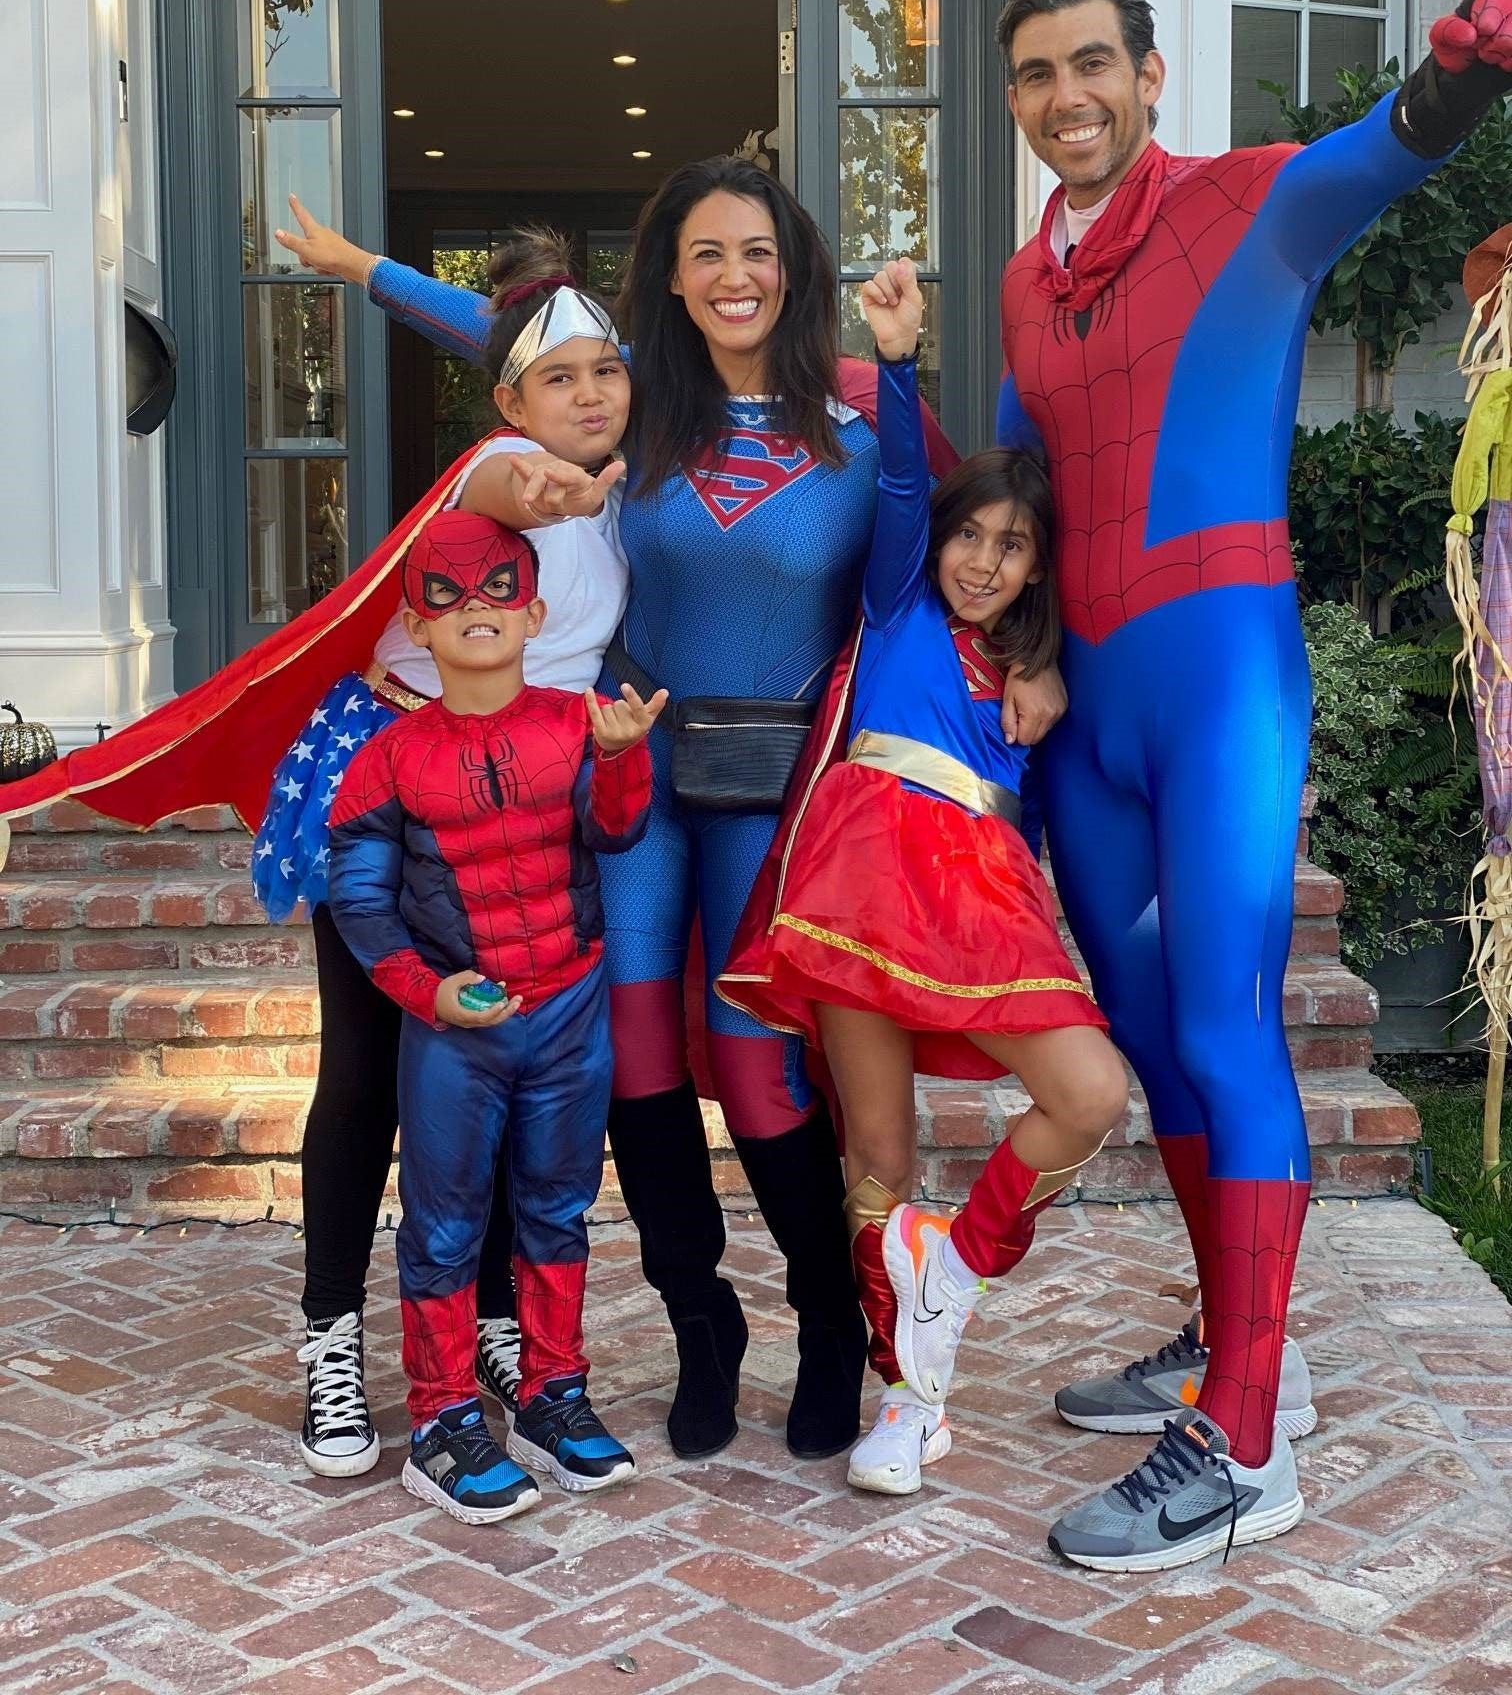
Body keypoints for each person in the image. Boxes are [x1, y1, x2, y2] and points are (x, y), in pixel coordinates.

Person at [312, 157, 1022, 1465]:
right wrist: (369, 273)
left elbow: (955, 559)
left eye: (756, 251)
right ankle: (703, 1329)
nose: (734, 276)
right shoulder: (635, 405)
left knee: (755, 1068)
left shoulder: (865, 427)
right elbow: (507, 338)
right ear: (673, 280)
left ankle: (828, 1325)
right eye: (706, 254)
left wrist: (1031, 660)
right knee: (634, 1062)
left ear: (792, 269)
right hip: (632, 781)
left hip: (771, 796)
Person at [991, 0, 1512, 1570]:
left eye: (1094, 63)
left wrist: (1467, 70)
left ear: (1149, 74)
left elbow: (1391, 146)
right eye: (1037, 74)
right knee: (1156, 1040)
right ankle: (1233, 1340)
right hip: (1088, 720)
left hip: (1218, 679)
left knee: (1224, 1027)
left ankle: (1247, 1446)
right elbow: (1018, 486)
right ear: (1015, 101)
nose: (1068, 96)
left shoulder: (1248, 207)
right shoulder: (1024, 280)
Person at [0, 221, 635, 1483]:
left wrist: (363, 274)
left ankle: (494, 1327)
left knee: (495, 1068)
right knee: (367, 1077)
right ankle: (332, 1342)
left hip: (523, 798)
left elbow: (499, 330)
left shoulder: (624, 483)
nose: (587, 395)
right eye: (557, 379)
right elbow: (511, 484)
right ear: (509, 404)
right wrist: (550, 486)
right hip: (398, 786)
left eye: (606, 373)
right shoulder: (505, 466)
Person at [717, 257, 1123, 1497]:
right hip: (860, 888)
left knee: (1088, 1092)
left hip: (984, 899)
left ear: (1041, 567)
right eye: (970, 536)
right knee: (878, 1164)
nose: (984, 562)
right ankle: (912, 1400)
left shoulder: (1040, 680)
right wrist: (898, 366)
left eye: (1014, 547)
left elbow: (1050, 811)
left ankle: (955, 1266)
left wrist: (1045, 679)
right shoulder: (898, 608)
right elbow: (900, 481)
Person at [327, 508, 661, 1525]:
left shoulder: (575, 722)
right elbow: (359, 897)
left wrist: (624, 758)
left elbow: (615, 830)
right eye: (447, 592)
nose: (477, 607)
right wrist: (424, 991)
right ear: (415, 624)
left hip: (568, 1007)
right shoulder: (388, 758)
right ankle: (439, 1420)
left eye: (499, 589)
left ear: (536, 614)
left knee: (557, 1209)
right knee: (443, 1224)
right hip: (454, 1032)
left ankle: (553, 1393)